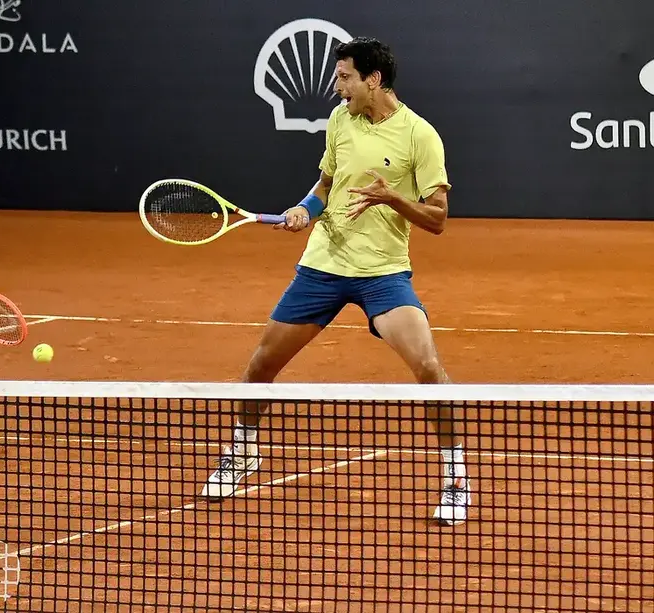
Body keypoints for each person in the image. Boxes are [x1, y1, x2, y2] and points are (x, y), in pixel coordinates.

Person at [200, 37, 470, 525]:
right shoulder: (341, 120)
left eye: (345, 76)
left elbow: (438, 218)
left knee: (430, 369)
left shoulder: (420, 136)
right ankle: (242, 453)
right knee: (261, 366)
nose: (336, 86)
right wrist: (304, 211)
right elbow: (325, 186)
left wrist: (391, 199)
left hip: (383, 273)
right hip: (323, 266)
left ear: (374, 80)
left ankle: (456, 479)